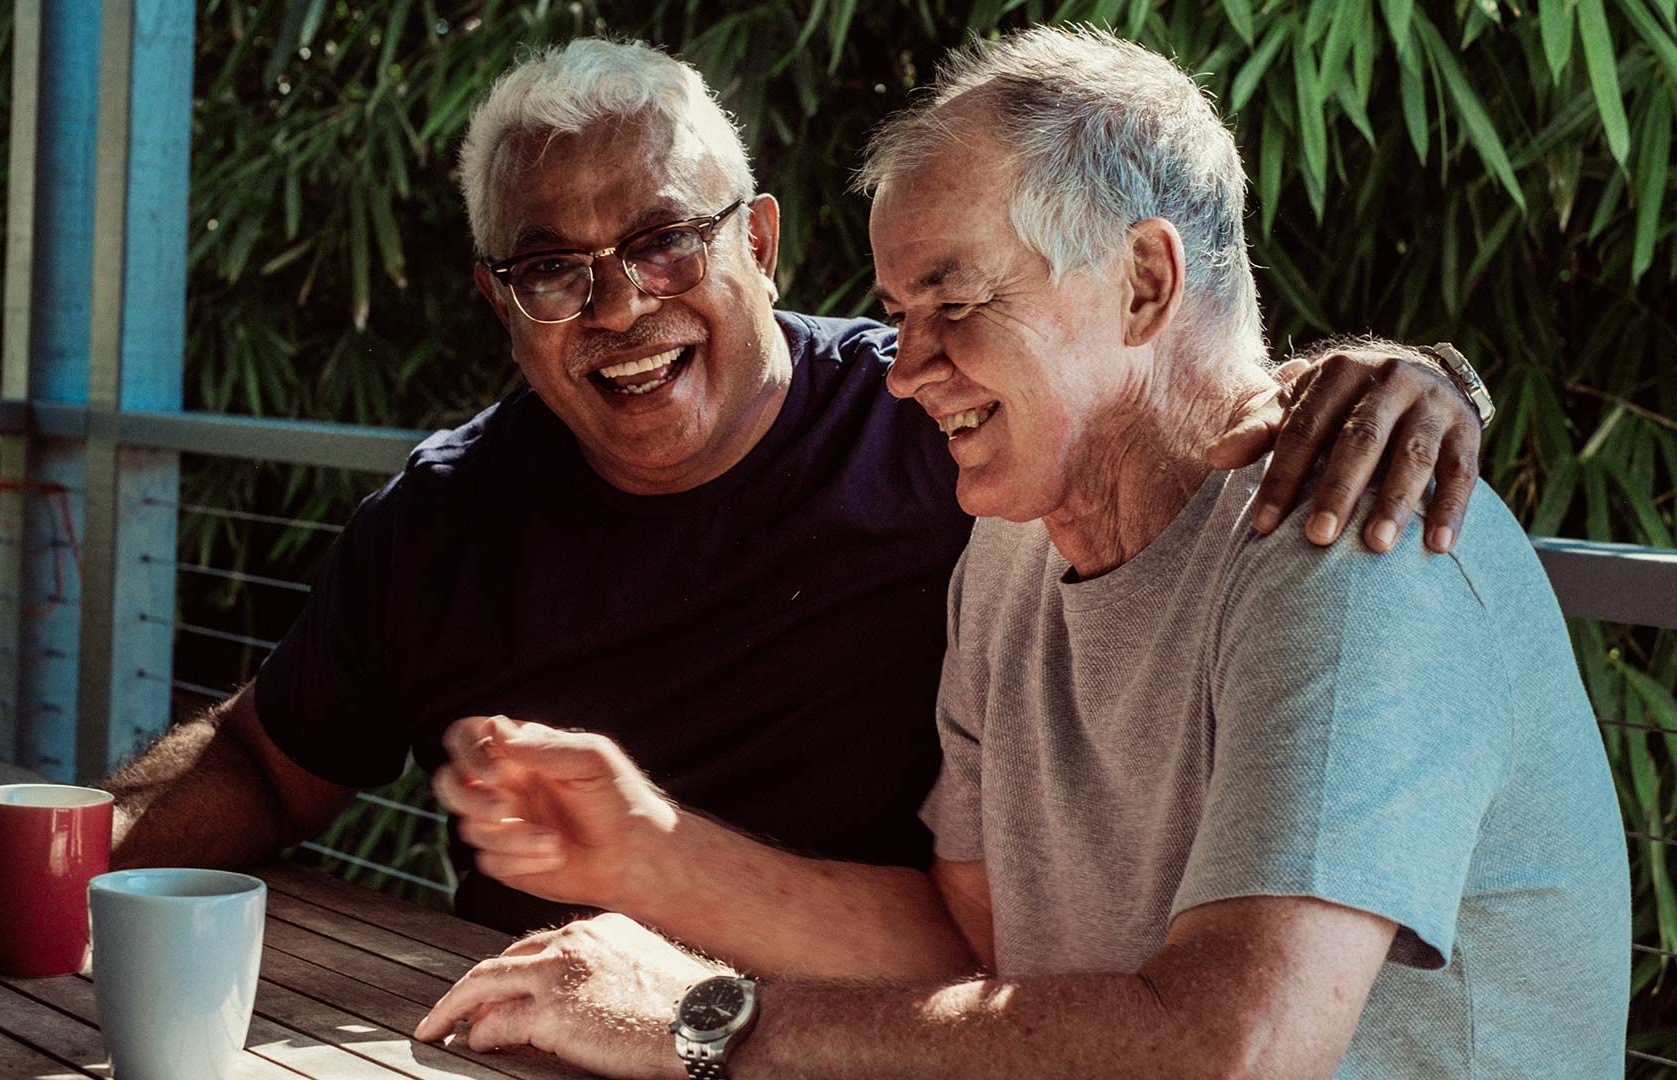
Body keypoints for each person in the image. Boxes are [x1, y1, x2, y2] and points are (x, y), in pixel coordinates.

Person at [0, 38, 1486, 936]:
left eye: (667, 241)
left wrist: (1415, 378)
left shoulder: (946, 420)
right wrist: (75, 846)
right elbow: (274, 764)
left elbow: (1154, 384)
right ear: (502, 304)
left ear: (759, 241)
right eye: (555, 269)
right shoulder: (446, 522)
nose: (620, 305)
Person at [416, 28, 1630, 1079]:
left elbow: (1232, 1052)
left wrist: (701, 1019)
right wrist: (645, 855)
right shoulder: (1006, 551)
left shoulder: (1355, 539)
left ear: (1146, 283)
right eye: (898, 314)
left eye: (953, 301)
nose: (903, 367)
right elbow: (975, 954)